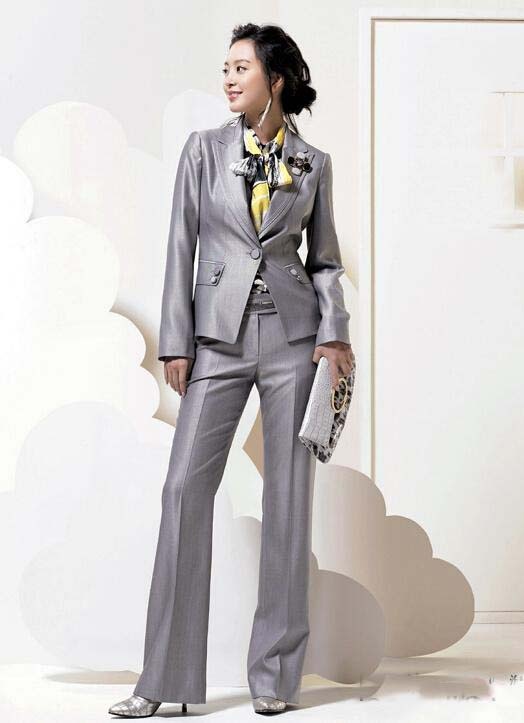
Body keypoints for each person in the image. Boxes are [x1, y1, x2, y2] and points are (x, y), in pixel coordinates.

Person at [109, 22, 355, 718]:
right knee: (184, 489)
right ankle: (164, 682)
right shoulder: (203, 151)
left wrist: (334, 335)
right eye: (225, 67)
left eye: (241, 67)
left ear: (274, 80)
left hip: (294, 338)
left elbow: (325, 262)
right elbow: (179, 243)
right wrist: (176, 342)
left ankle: (274, 677)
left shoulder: (313, 163)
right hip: (216, 338)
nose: (228, 78)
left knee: (288, 502)